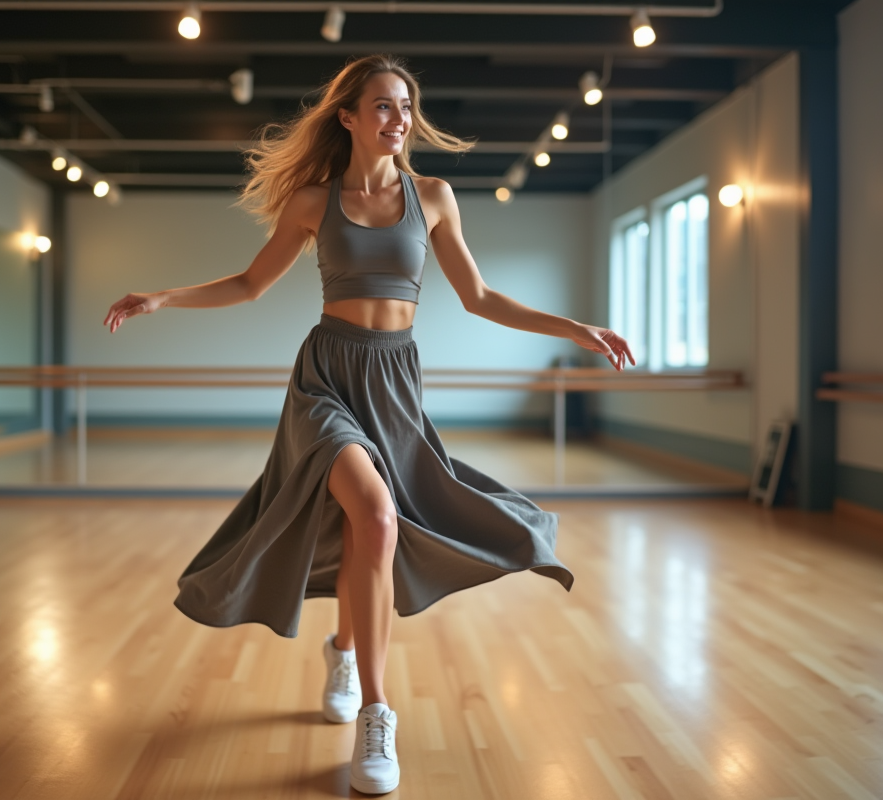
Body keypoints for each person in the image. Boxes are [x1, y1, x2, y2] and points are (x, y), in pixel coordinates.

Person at [103, 54, 635, 796]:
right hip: (326, 380)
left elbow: (478, 296)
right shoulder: (314, 201)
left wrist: (573, 328)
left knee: (371, 528)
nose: (399, 118)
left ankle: (345, 651)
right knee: (377, 517)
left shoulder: (435, 196)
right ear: (348, 117)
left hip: (395, 381)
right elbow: (252, 283)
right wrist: (163, 297)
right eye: (383, 106)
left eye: (407, 105)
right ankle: (377, 715)